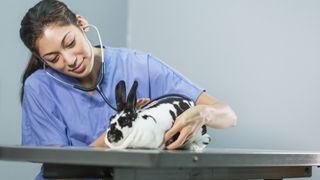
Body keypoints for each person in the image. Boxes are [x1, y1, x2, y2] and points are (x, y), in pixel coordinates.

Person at [20, 0, 237, 152]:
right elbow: (59, 169)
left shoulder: (138, 65)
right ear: (42, 60)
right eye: (53, 58)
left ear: (82, 24)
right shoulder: (39, 88)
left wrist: (202, 113)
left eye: (70, 43)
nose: (69, 60)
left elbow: (228, 116)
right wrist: (131, 128)